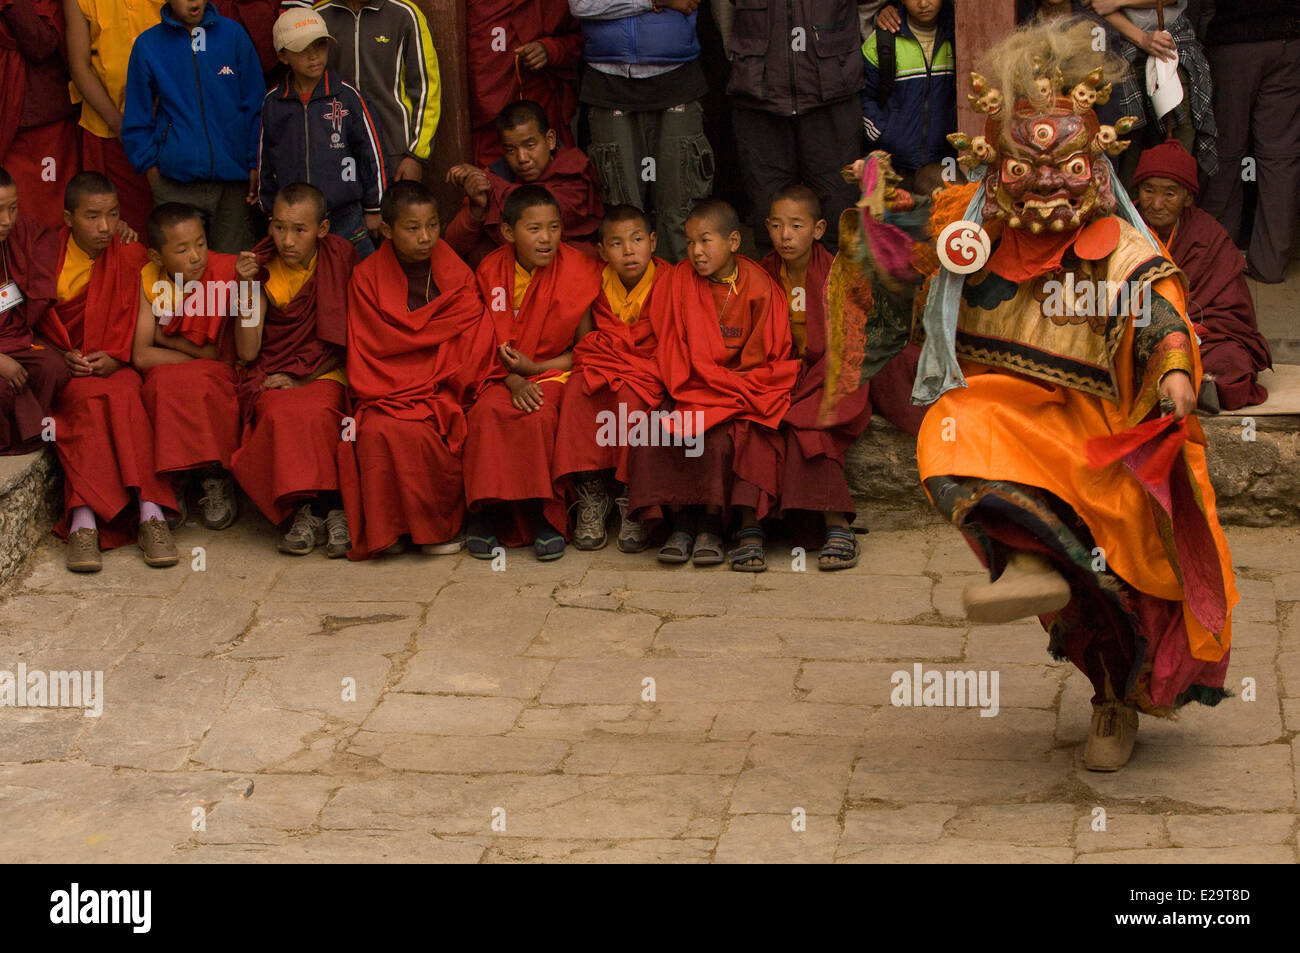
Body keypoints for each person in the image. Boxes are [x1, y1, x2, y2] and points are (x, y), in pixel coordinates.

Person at [829, 19, 1237, 771]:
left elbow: (1156, 310)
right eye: (1028, 164)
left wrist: (1176, 368)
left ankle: (1114, 699)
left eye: (1066, 164)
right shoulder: (966, 230)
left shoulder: (1119, 246)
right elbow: (888, 258)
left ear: (1095, 160)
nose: (1049, 180)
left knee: (1107, 588)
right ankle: (1023, 562)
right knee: (949, 427)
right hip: (1006, 421)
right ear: (995, 161)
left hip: (1097, 438)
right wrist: (877, 207)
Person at [625, 198, 799, 571]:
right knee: (655, 432)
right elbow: (669, 344)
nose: (696, 252)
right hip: (689, 383)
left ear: (734, 241)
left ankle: (710, 525)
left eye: (705, 241)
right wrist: (697, 383)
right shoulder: (677, 280)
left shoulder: (759, 286)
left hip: (741, 387)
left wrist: (725, 386)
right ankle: (680, 524)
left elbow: (769, 353)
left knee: (719, 438)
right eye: (689, 243)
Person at [337, 181, 497, 560]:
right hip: (384, 387)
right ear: (388, 231)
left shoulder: (454, 272)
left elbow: (472, 331)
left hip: (445, 385)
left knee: (430, 428)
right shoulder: (366, 278)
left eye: (432, 225)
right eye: (413, 228)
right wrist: (407, 385)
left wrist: (442, 381)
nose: (426, 237)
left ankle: (434, 528)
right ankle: (389, 530)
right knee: (375, 429)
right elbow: (369, 344)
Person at [44, 172, 179, 572]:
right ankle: (83, 521)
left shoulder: (131, 254)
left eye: (112, 215)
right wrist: (58, 354)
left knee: (123, 395)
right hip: (68, 371)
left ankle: (151, 514)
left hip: (116, 365)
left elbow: (149, 320)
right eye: (92, 216)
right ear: (68, 218)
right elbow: (30, 320)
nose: (105, 227)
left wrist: (119, 357)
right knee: (87, 404)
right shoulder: (45, 255)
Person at [462, 184, 602, 561]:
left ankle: (545, 515)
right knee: (486, 414)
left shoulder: (577, 270)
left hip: (553, 371)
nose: (547, 239)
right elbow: (480, 338)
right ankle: (486, 514)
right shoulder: (491, 269)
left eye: (554, 228)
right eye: (535, 229)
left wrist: (535, 369)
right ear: (509, 233)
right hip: (498, 373)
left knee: (538, 416)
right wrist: (511, 377)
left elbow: (584, 350)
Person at [231, 182, 355, 556]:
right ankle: (306, 510)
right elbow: (248, 350)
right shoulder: (261, 267)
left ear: (322, 229)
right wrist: (245, 289)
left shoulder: (341, 258)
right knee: (278, 412)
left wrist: (305, 377)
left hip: (327, 369)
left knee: (319, 410)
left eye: (299, 230)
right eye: (278, 226)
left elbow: (353, 337)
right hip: (275, 368)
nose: (287, 240)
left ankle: (330, 507)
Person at [760, 184, 872, 569]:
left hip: (831, 372)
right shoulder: (762, 273)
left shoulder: (839, 273)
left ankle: (835, 523)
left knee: (809, 425)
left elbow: (853, 339)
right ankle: (814, 526)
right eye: (777, 226)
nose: (785, 236)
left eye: (796, 226)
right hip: (782, 373)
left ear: (819, 229)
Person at [552, 203, 668, 552]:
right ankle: (593, 494)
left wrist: (637, 365)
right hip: (604, 364)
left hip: (649, 368)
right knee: (576, 392)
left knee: (633, 401)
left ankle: (633, 499)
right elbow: (586, 344)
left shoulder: (671, 280)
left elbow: (675, 341)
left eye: (636, 240)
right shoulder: (593, 281)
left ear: (653, 242)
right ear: (602, 251)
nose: (628, 251)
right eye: (616, 243)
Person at [568, 0, 715, 262]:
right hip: (608, 80)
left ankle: (680, 295)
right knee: (623, 210)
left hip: (676, 77)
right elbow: (581, 4)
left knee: (679, 208)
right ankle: (632, 300)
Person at [1133, 140, 1271, 412]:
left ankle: (1191, 384)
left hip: (1198, 334)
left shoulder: (1208, 235)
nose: (1156, 204)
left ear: (1188, 197)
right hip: (1137, 332)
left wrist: (1190, 329)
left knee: (1231, 360)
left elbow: (1231, 311)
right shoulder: (1124, 225)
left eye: (1170, 194)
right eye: (1148, 191)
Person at [132, 202, 242, 530]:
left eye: (201, 243)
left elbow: (234, 354)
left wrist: (166, 341)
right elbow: (140, 355)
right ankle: (174, 478)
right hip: (182, 368)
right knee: (163, 385)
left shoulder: (228, 271)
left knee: (206, 384)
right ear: (156, 256)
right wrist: (199, 356)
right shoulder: (149, 279)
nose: (196, 257)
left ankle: (215, 476)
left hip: (218, 370)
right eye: (182, 249)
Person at [121, 0, 263, 253]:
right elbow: (136, 117)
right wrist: (151, 169)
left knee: (232, 273)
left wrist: (254, 162)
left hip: (232, 183)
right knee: (181, 275)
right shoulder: (149, 45)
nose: (194, 2)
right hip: (175, 183)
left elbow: (255, 105)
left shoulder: (233, 36)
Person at [727, 0, 863, 254]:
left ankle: (834, 292)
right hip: (759, 94)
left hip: (832, 92)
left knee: (838, 212)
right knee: (769, 212)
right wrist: (739, 54)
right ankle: (774, 293)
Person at [257, 9, 386, 257]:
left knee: (357, 277)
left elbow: (371, 153)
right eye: (303, 48)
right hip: (295, 223)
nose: (314, 56)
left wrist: (374, 207)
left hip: (345, 214)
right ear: (283, 56)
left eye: (320, 45)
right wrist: (272, 211)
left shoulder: (347, 97)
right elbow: (266, 159)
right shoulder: (274, 102)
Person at [1197, 1, 1300, 284]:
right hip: (1288, 40)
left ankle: (1216, 260)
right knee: (1280, 156)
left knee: (1225, 152)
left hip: (1233, 41)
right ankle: (1270, 264)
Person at [444, 99, 603, 266]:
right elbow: (454, 246)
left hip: (563, 269)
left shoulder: (573, 169)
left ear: (550, 140)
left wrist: (493, 186)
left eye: (530, 145)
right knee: (482, 253)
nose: (522, 158)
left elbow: (541, 211)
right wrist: (477, 208)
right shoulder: (498, 174)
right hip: (512, 276)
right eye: (511, 150)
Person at [1081, 0, 1217, 188]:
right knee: (1128, 156)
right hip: (1118, 53)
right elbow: (1096, 4)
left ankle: (1174, 213)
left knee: (1176, 156)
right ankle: (1130, 215)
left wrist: (1118, 2)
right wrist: (1142, 38)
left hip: (1169, 45)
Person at [305, 0, 440, 184]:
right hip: (336, 148)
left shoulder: (405, 14)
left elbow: (427, 89)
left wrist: (416, 155)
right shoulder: (319, 16)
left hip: (394, 152)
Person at [62, 0, 163, 234]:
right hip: (107, 127)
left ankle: (173, 274)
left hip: (165, 124)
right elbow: (79, 67)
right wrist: (122, 127)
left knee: (170, 225)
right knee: (122, 229)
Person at [0, 167, 72, 455]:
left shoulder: (22, 233)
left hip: (16, 339)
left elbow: (66, 234)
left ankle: (30, 434)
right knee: (3, 389)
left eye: (13, 209)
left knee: (53, 367)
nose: (6, 221)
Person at [467, 1, 582, 166]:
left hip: (543, 104)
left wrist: (549, 49)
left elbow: (585, 37)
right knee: (491, 183)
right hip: (490, 119)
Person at [0, 0, 81, 232]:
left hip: (45, 119)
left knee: (49, 213)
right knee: (11, 213)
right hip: (10, 120)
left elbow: (41, 44)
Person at [860, 0, 955, 187]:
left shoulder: (957, 36)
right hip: (894, 164)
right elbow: (863, 96)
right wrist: (881, 133)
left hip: (943, 160)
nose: (923, 3)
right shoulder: (882, 42)